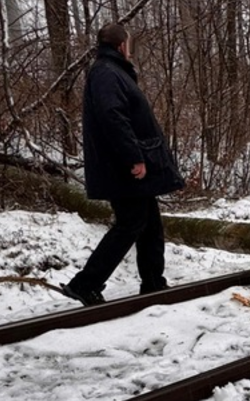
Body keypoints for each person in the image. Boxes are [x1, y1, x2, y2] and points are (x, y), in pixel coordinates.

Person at [62, 23, 185, 306]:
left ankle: (154, 283)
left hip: (123, 166)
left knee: (150, 225)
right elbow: (113, 117)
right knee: (130, 224)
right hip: (122, 168)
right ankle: (85, 284)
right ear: (121, 46)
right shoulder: (107, 72)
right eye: (128, 45)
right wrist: (135, 157)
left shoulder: (112, 71)